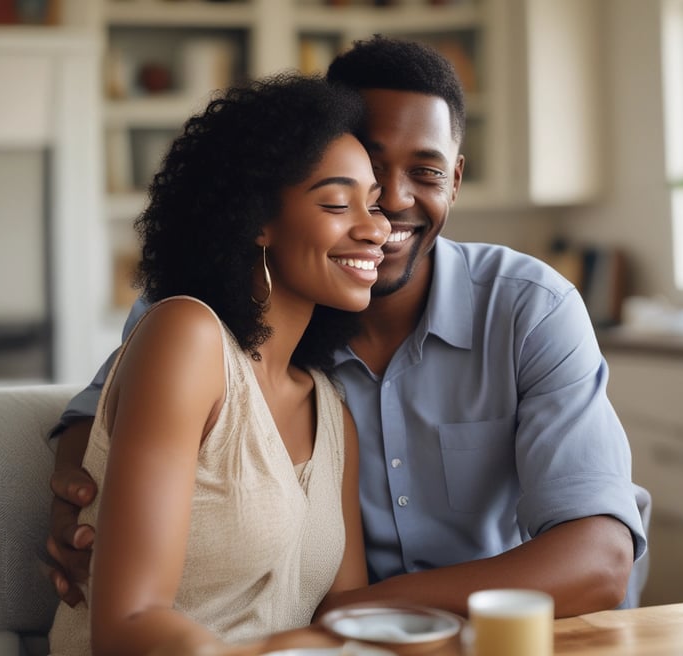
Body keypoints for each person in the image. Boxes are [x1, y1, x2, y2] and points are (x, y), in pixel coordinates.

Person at [48, 36, 649, 621]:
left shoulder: (528, 309)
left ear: (456, 180)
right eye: (359, 176)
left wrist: (352, 614)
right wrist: (77, 503)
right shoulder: (206, 305)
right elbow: (105, 413)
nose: (388, 204)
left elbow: (600, 560)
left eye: (426, 171)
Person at [47, 72, 391, 656]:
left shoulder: (333, 411)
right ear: (255, 219)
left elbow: (341, 617)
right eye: (337, 202)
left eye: (375, 204)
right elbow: (127, 626)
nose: (376, 228)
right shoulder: (187, 339)